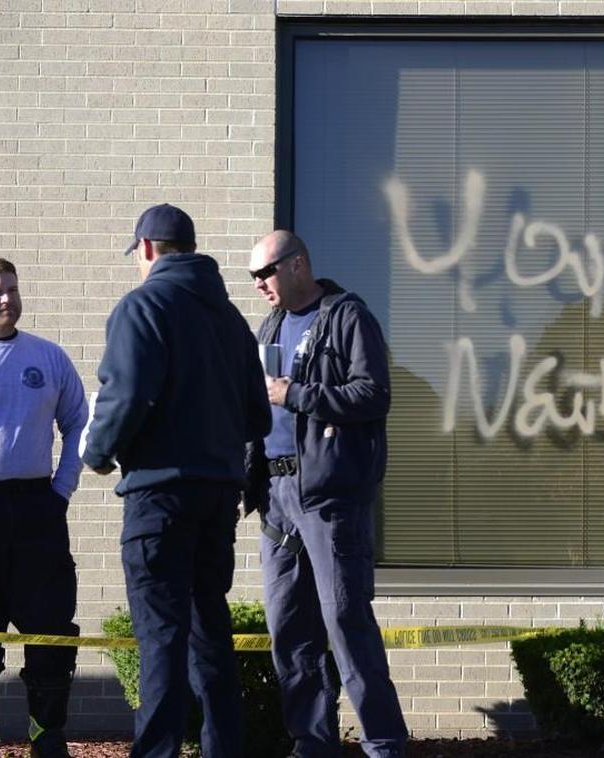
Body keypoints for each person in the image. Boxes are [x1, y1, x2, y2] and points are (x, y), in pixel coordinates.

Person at [82, 204, 271, 758]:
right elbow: (258, 416)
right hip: (217, 495)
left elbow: (125, 395)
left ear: (145, 248)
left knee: (160, 635)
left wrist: (97, 453)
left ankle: (157, 751)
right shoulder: (231, 319)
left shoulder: (143, 306)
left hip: (158, 495)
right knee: (207, 629)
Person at [243, 231, 406, 758]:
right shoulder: (269, 326)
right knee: (289, 629)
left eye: (265, 272)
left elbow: (374, 393)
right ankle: (311, 745)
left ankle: (383, 743)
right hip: (277, 494)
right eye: (254, 277)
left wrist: (297, 393)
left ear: (297, 265)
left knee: (345, 621)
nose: (259, 285)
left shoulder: (346, 316)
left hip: (329, 497)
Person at [0, 258, 87, 758]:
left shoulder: (47, 358)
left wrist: (61, 490)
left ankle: (45, 736)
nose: (6, 299)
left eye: (11, 288)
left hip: (37, 509)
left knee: (50, 628)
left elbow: (79, 422)